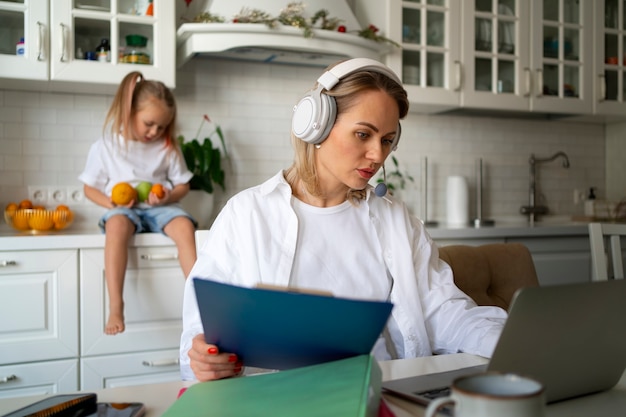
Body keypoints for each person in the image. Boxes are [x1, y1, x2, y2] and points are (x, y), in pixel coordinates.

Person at [179, 58, 508, 381]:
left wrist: (508, 342)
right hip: (277, 401)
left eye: (387, 140)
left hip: (380, 395)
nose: (378, 156)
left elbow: (443, 311)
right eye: (363, 134)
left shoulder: (396, 220)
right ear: (316, 124)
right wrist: (204, 358)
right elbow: (200, 332)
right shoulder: (246, 215)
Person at [79, 71, 197, 336]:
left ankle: (198, 298)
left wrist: (168, 196)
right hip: (123, 207)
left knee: (184, 227)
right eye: (149, 123)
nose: (155, 131)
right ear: (128, 111)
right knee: (117, 226)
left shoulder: (167, 147)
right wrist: (110, 203)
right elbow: (89, 188)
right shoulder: (107, 146)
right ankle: (116, 305)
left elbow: (182, 185)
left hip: (159, 208)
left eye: (162, 127)